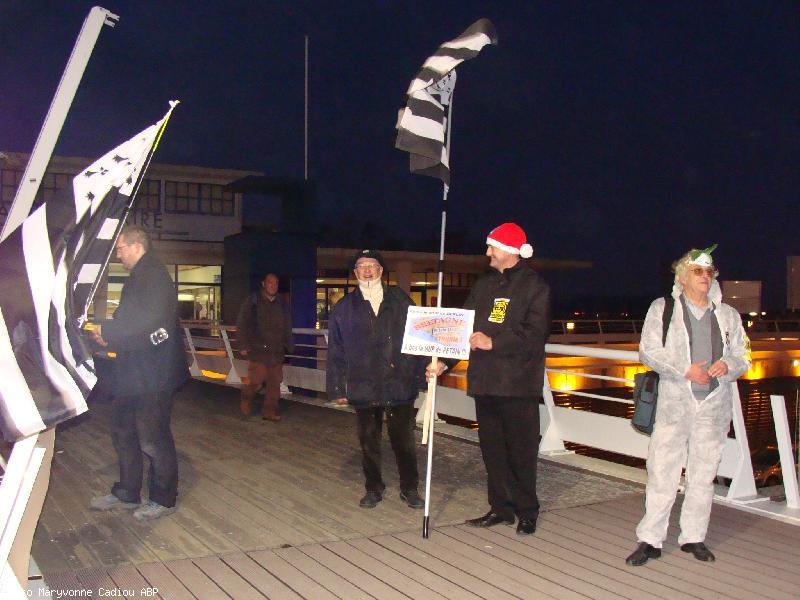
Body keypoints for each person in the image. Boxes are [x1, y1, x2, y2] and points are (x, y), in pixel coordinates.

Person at [626, 245, 750, 566]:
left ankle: (694, 537)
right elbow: (648, 351)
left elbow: (743, 355)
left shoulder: (728, 315)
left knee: (703, 475)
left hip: (713, 406)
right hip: (674, 404)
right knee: (663, 472)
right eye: (698, 271)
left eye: (709, 272)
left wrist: (728, 365)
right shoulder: (663, 308)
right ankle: (651, 539)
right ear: (682, 277)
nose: (705, 277)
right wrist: (685, 368)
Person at [428, 222, 551, 535]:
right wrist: (444, 362)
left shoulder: (535, 286)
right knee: (493, 450)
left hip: (518, 385)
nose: (487, 253)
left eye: (492, 247)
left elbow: (534, 334)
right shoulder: (482, 285)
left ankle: (527, 511)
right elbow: (462, 328)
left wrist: (494, 342)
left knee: (521, 452)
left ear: (509, 251)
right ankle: (500, 508)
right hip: (485, 383)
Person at [89, 226, 189, 521]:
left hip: (154, 374)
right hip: (132, 371)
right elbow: (128, 320)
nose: (118, 254)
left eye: (120, 248)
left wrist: (110, 334)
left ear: (136, 246)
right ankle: (127, 492)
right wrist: (110, 335)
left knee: (153, 437)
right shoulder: (138, 278)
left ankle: (163, 498)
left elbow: (151, 324)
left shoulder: (154, 277)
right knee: (123, 430)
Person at [326, 249, 425, 509]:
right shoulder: (344, 307)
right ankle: (373, 487)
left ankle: (410, 488)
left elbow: (420, 335)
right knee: (368, 441)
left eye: (372, 265)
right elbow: (336, 348)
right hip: (364, 383)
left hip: (398, 381)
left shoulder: (400, 300)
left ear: (381, 271)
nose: (367, 270)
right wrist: (337, 385)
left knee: (404, 441)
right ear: (355, 272)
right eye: (361, 266)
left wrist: (423, 369)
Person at [236, 273, 294, 421]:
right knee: (256, 381)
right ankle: (246, 398)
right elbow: (242, 323)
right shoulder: (253, 301)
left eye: (276, 283)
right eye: (270, 283)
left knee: (274, 384)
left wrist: (289, 344)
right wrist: (243, 344)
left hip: (276, 350)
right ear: (263, 284)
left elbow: (287, 324)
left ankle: (269, 412)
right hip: (258, 350)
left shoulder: (282, 303)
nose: (273, 286)